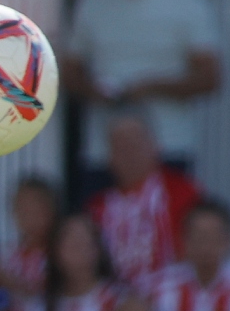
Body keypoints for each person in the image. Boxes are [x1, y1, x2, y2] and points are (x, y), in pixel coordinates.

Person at [64, 0, 221, 183]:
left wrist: (152, 87)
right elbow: (69, 72)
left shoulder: (187, 1)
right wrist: (97, 90)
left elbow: (210, 78)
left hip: (168, 146)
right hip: (102, 151)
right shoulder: (92, 0)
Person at [86, 113, 202, 286]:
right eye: (121, 147)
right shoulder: (97, 207)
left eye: (135, 145)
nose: (129, 154)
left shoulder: (184, 193)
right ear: (110, 157)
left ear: (156, 147)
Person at [3, 176, 60, 297]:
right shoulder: (6, 256)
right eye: (23, 209)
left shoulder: (62, 255)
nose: (30, 217)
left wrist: (4, 281)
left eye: (36, 209)